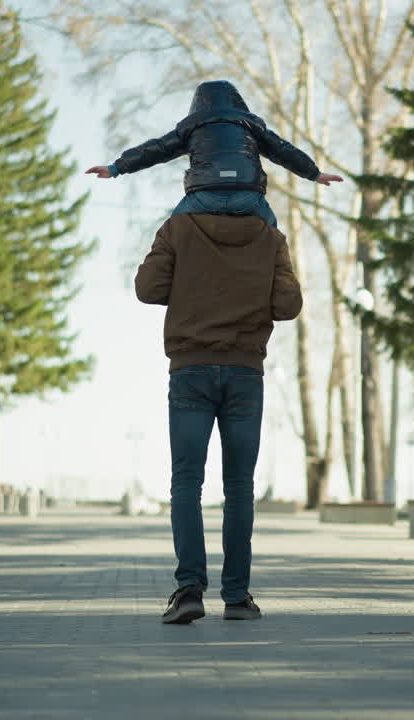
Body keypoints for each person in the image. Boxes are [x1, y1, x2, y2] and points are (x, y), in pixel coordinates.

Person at [133, 209, 303, 624]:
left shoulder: (178, 227)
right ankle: (237, 597)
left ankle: (190, 589)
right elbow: (288, 305)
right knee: (240, 486)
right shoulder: (269, 237)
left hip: (191, 369)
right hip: (245, 372)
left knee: (187, 480)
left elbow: (147, 288)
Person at [86, 79, 343, 226]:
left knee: (173, 231)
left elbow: (154, 150)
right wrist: (315, 174)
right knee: (272, 233)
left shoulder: (189, 127)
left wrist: (116, 168)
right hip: (248, 195)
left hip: (203, 196)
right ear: (237, 103)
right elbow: (284, 151)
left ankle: (170, 273)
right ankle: (278, 273)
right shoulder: (252, 126)